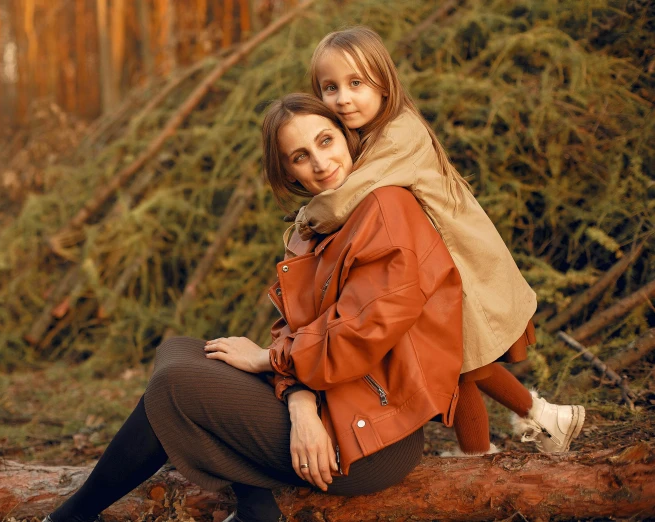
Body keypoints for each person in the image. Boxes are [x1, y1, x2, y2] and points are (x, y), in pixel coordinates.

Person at [42, 93, 464, 522]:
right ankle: (256, 507)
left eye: (326, 141)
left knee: (175, 388)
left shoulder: (385, 209)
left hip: (377, 432)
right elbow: (295, 328)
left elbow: (356, 338)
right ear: (287, 171)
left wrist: (268, 360)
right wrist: (299, 400)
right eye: (301, 156)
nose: (320, 163)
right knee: (184, 351)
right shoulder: (319, 223)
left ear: (348, 139)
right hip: (333, 398)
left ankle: (71, 517)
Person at [295, 25, 585, 455]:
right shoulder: (372, 133)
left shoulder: (399, 133)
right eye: (330, 87)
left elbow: (345, 201)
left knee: (460, 367)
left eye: (356, 83)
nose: (343, 98)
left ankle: (485, 452)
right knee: (463, 365)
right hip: (435, 267)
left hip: (458, 265)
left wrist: (303, 222)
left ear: (383, 81)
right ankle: (542, 419)